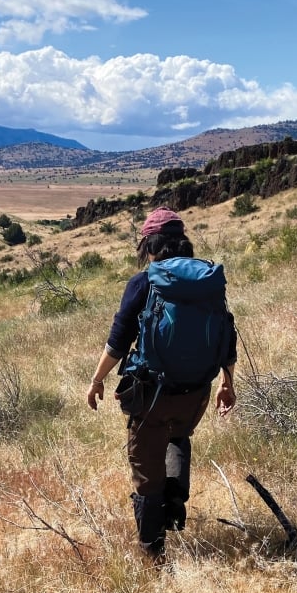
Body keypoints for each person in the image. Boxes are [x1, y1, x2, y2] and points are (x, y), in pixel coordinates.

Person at [86, 206, 236, 564]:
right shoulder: (208, 279)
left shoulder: (145, 281)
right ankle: (174, 507)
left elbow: (119, 340)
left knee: (145, 474)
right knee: (178, 437)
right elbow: (226, 335)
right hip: (197, 390)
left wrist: (96, 380)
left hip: (151, 394)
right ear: (183, 242)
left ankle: (153, 556)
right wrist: (227, 383)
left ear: (149, 245)